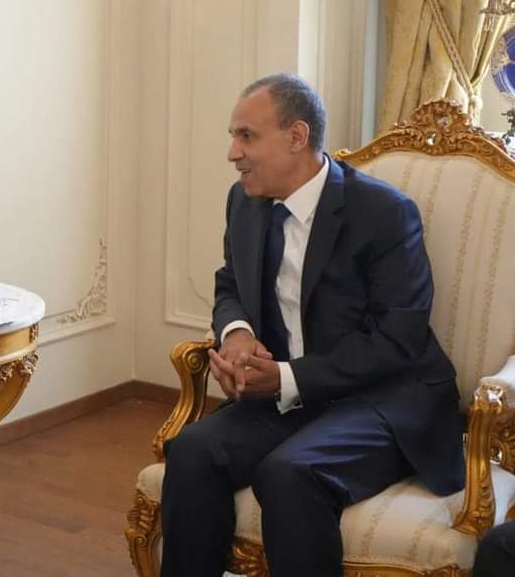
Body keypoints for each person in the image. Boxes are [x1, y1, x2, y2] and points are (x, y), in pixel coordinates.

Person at [159, 74, 464, 576]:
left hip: (383, 399)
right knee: (192, 450)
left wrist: (284, 378)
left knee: (289, 473)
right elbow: (230, 281)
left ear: (296, 136)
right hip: (293, 395)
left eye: (246, 136)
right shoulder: (245, 201)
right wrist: (237, 334)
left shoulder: (384, 213)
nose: (233, 153)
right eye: (233, 136)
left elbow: (398, 339)